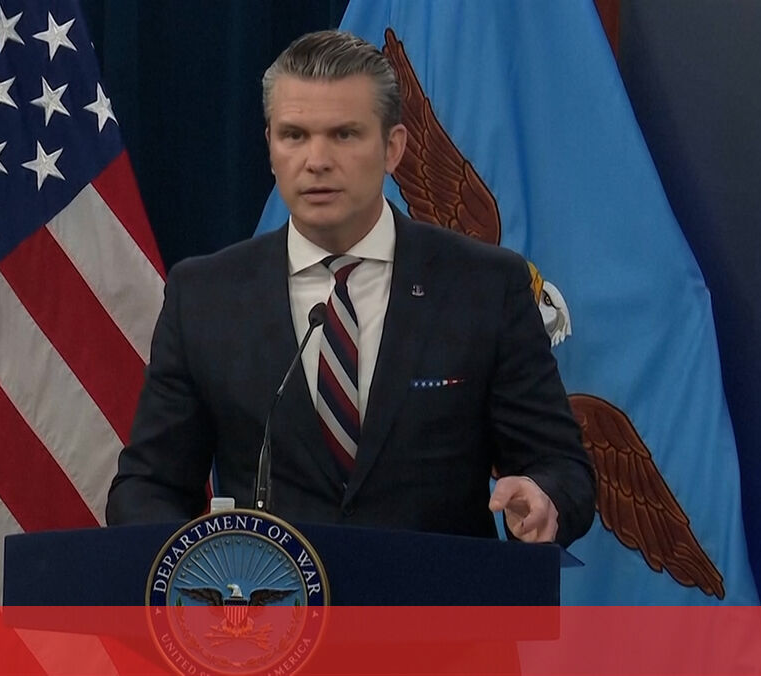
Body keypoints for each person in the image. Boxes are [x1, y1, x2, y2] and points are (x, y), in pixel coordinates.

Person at [106, 30, 595, 546]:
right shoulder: (206, 296)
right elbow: (148, 485)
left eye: (344, 135)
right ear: (270, 146)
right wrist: (194, 572)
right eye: (294, 135)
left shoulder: (485, 286)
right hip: (265, 596)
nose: (316, 160)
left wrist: (545, 497)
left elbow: (562, 467)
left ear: (393, 148)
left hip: (439, 597)